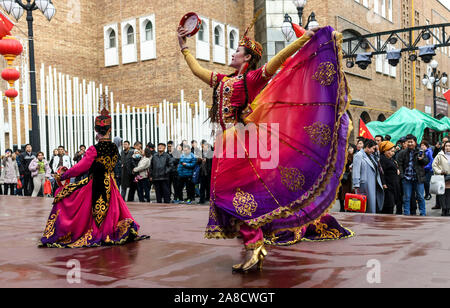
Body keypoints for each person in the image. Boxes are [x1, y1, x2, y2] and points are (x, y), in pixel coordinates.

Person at [179, 22, 353, 272]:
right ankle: (253, 245)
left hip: (238, 142)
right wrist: (183, 46)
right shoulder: (222, 80)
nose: (232, 54)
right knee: (224, 195)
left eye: (237, 51)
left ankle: (256, 244)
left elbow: (278, 61)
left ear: (247, 57)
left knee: (230, 194)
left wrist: (304, 40)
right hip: (225, 142)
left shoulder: (250, 79)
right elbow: (197, 70)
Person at [39, 102, 148, 248]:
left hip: (95, 183)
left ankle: (91, 232)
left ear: (96, 131)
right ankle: (108, 231)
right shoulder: (114, 149)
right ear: (109, 130)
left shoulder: (94, 149)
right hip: (110, 183)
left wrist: (63, 176)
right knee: (111, 209)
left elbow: (80, 167)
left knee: (65, 196)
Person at [396, 134, 429, 216]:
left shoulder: (420, 151)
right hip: (407, 179)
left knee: (420, 197)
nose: (410, 144)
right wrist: (402, 176)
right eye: (408, 142)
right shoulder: (402, 153)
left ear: (415, 142)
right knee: (406, 198)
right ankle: (406, 214)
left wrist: (422, 159)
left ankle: (423, 213)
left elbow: (426, 161)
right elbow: (399, 165)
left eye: (411, 142)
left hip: (418, 178)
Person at [352, 139, 385, 214]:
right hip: (364, 185)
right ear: (367, 147)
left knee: (371, 205)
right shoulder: (359, 155)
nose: (373, 150)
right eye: (373, 148)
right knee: (365, 206)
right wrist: (356, 184)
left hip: (373, 183)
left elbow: (378, 161)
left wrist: (377, 151)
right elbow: (356, 171)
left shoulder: (371, 155)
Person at [379, 141, 401, 214]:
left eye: (393, 151)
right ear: (385, 151)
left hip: (393, 184)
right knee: (388, 205)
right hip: (388, 185)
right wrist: (384, 183)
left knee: (392, 204)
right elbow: (381, 172)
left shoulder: (390, 158)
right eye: (391, 151)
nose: (393, 153)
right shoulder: (382, 159)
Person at [432, 141, 450, 216]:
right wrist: (440, 171)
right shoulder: (440, 155)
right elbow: (434, 165)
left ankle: (448, 209)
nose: (447, 147)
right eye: (446, 146)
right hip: (442, 177)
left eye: (449, 146)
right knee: (442, 194)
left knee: (449, 194)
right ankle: (444, 209)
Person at [338, 144, 356, 212]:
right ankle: (342, 207)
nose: (350, 149)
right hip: (344, 177)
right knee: (342, 192)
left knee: (350, 193)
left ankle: (349, 207)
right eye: (349, 148)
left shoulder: (355, 156)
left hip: (351, 178)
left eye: (351, 148)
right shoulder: (345, 156)